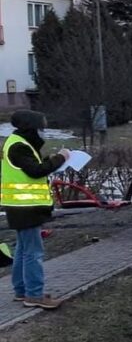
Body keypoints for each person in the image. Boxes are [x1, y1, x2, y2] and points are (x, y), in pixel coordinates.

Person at [1, 110, 69, 309]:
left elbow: (32, 167)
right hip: (25, 207)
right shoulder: (19, 146)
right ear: (31, 128)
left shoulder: (20, 143)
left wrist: (52, 159)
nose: (43, 132)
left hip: (21, 207)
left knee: (23, 251)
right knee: (33, 253)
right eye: (40, 128)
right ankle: (34, 295)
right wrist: (61, 159)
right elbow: (36, 171)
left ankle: (22, 291)